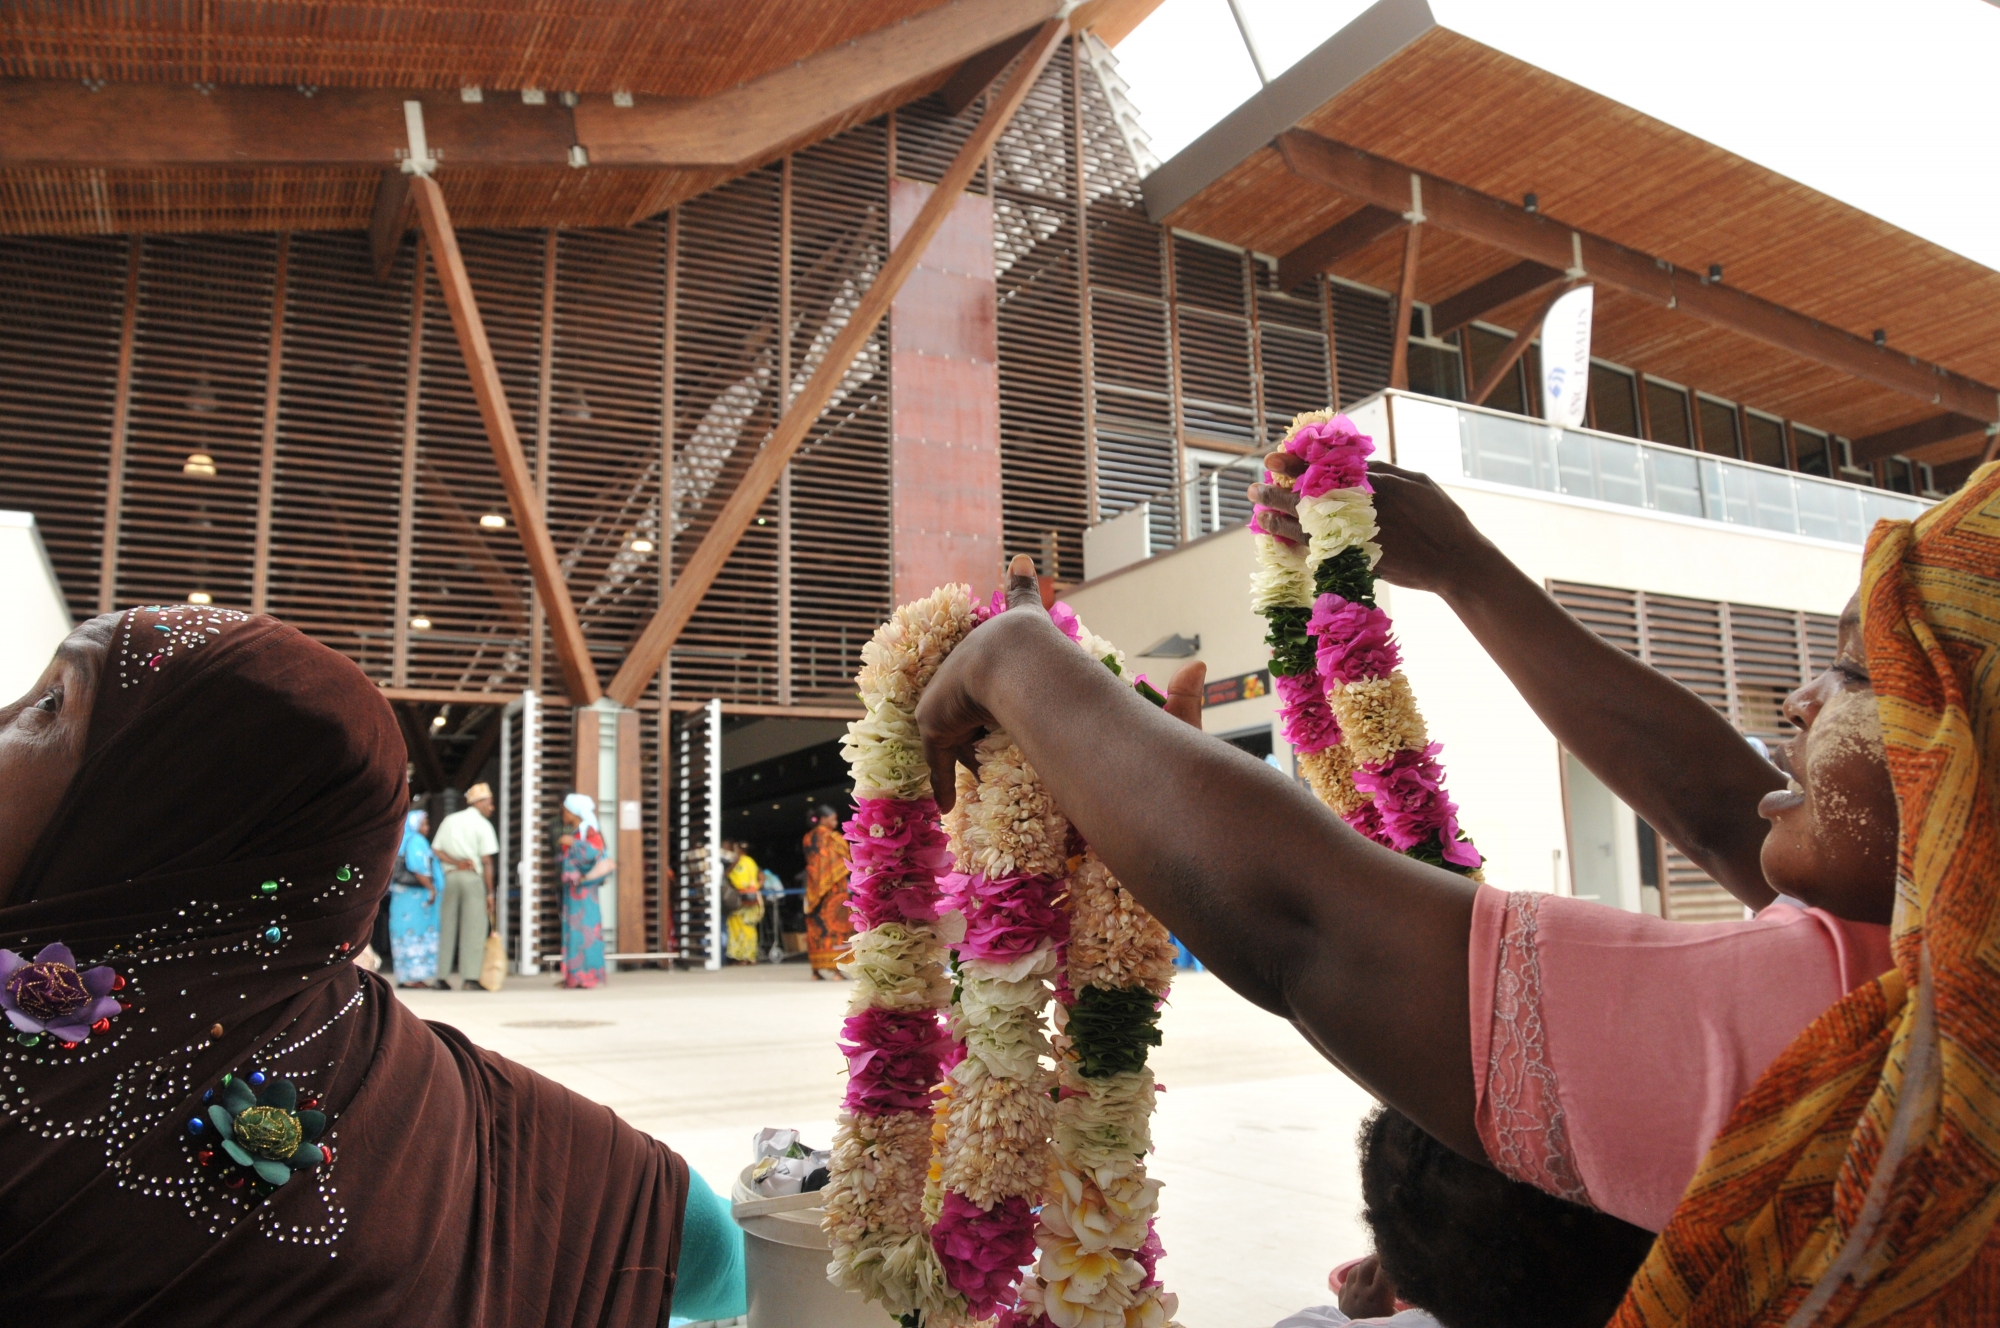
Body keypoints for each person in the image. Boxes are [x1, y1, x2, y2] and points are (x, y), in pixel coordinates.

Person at [918, 459, 2000, 1319]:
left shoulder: (1881, 1050)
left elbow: (1306, 926)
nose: (1801, 696)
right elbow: (1717, 804)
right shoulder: (1920, 956)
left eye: (1861, 672)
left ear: (1970, 773)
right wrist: (1466, 569)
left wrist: (1012, 660)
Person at [0, 605, 744, 1321]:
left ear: (168, 803)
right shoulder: (451, 1096)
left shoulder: (456, 1099)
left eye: (48, 704)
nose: (5, 718)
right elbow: (730, 1263)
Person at [431, 781, 499, 991]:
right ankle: (470, 978)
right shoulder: (483, 825)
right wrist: (490, 893)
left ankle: (440, 978)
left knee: (447, 926)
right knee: (474, 928)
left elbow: (436, 849)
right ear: (478, 803)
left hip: (451, 877)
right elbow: (486, 861)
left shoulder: (450, 820)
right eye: (489, 803)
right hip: (471, 879)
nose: (492, 807)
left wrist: (455, 863)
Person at [559, 792, 612, 989]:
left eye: (565, 810)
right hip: (574, 890)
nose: (563, 813)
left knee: (585, 932)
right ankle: (574, 976)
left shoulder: (587, 831)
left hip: (584, 891)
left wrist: (572, 843)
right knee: (574, 932)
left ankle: (586, 976)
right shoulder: (578, 831)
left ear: (574, 812)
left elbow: (594, 852)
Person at [389, 806, 445, 991]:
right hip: (416, 898)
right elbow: (418, 868)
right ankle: (414, 977)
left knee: (403, 934)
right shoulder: (416, 841)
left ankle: (406, 976)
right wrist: (431, 888)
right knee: (418, 933)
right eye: (423, 823)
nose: (427, 827)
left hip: (402, 897)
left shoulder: (401, 841)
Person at [801, 804, 852, 980]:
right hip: (833, 891)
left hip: (813, 890)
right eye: (833, 819)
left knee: (816, 930)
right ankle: (836, 971)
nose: (835, 822)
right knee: (834, 929)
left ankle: (815, 971)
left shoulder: (807, 837)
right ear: (823, 819)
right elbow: (846, 857)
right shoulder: (833, 838)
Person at [721, 841, 763, 965]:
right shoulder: (751, 861)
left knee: (736, 927)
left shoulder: (735, 862)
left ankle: (741, 958)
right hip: (753, 898)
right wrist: (755, 888)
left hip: (740, 899)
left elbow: (724, 875)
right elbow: (762, 877)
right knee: (749, 927)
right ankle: (751, 957)